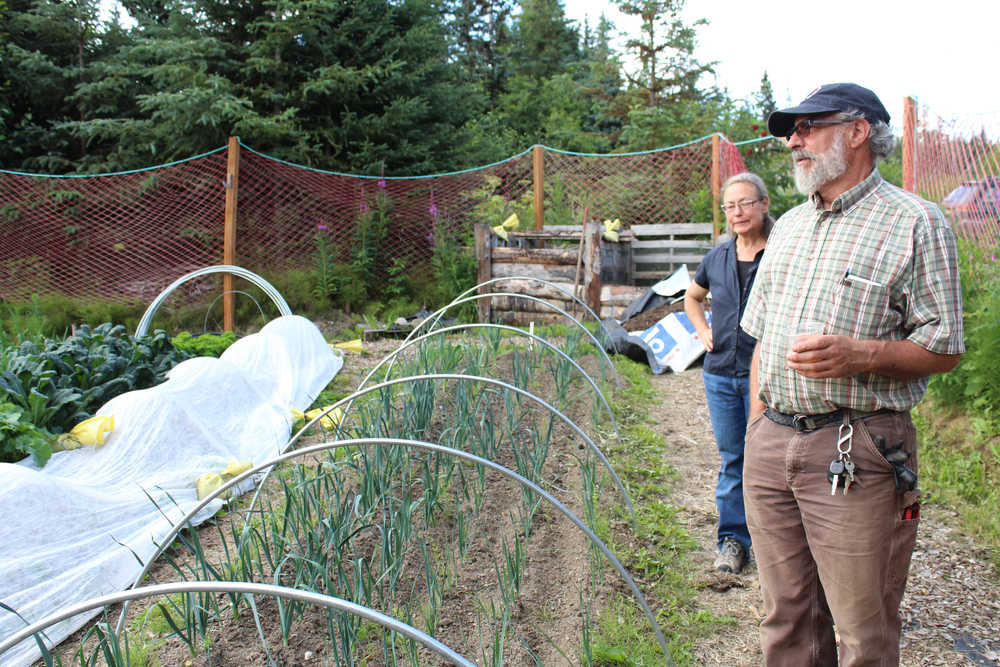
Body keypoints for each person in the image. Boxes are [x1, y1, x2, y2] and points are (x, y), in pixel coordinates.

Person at [740, 83, 964, 665]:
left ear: (859, 131)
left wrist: (860, 356)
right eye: (793, 131)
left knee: (861, 630)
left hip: (856, 446)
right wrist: (756, 431)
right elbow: (763, 335)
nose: (794, 140)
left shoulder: (915, 222)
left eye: (809, 126)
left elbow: (945, 346)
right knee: (786, 616)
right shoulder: (787, 226)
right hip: (772, 442)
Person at [684, 172, 772, 575]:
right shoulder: (716, 258)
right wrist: (703, 330)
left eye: (745, 203)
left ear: (764, 205)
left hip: (768, 376)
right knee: (733, 458)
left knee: (772, 459)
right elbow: (692, 297)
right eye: (729, 206)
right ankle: (733, 541)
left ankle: (778, 545)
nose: (737, 213)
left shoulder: (782, 252)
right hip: (720, 375)